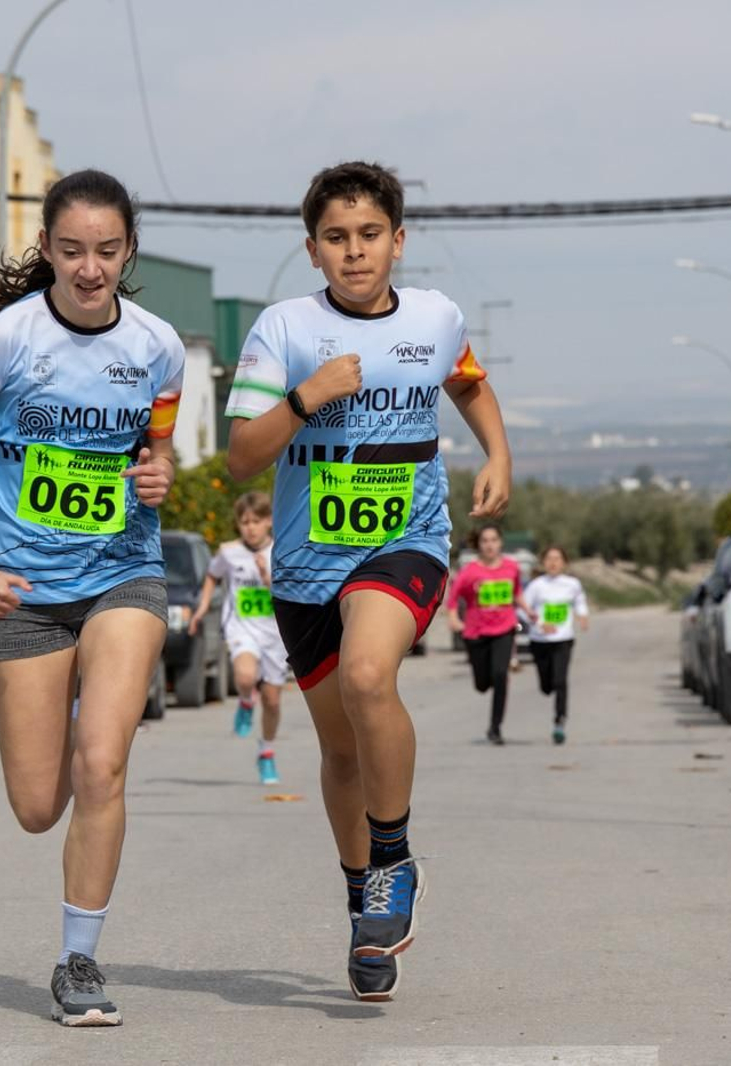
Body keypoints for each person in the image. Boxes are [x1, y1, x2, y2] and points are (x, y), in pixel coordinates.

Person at [223, 161, 511, 1002]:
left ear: (398, 241)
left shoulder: (433, 316)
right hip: (307, 565)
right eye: (337, 239)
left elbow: (465, 379)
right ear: (312, 250)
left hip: (406, 544)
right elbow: (241, 454)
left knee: (368, 676)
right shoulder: (283, 329)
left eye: (371, 236)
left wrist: (498, 451)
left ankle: (393, 861)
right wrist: (307, 398)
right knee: (341, 747)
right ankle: (364, 907)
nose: (356, 253)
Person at [0, 169, 184, 1028]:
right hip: (24, 591)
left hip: (122, 572)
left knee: (102, 763)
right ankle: (69, 730)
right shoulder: (3, 343)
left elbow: (158, 458)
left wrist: (157, 475)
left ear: (128, 252)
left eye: (106, 251)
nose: (89, 268)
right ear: (47, 250)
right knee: (39, 806)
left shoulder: (157, 347)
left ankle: (79, 960)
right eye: (71, 251)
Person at [189, 491, 291, 784]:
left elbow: (289, 590)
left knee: (272, 701)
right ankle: (246, 701)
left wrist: (267, 576)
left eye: (256, 521)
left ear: (269, 522)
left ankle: (267, 751)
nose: (250, 528)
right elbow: (212, 575)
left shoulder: (281, 552)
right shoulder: (229, 552)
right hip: (242, 628)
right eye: (244, 522)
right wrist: (204, 606)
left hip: (275, 634)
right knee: (245, 676)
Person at [446, 525, 523, 746]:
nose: (489, 545)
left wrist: (528, 610)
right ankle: (483, 678)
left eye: (493, 540)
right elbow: (453, 598)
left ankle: (495, 728)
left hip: (504, 629)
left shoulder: (512, 567)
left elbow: (516, 593)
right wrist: (453, 618)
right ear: (479, 545)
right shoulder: (469, 571)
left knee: (500, 675)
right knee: (482, 684)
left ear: (500, 543)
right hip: (475, 633)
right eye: (485, 541)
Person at [522, 545, 590, 744]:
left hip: (563, 639)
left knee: (560, 681)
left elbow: (579, 601)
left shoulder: (572, 584)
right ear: (543, 563)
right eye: (549, 559)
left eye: (557, 558)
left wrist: (583, 615)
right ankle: (547, 687)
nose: (553, 562)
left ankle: (560, 721)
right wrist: (540, 624)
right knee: (546, 686)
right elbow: (523, 611)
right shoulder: (536, 586)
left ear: (564, 562)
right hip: (539, 640)